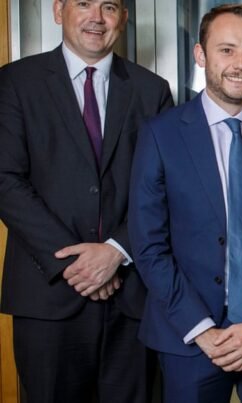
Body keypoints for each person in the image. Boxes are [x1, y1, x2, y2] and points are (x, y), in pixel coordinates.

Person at [128, 4, 242, 402]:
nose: (240, 65)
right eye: (226, 50)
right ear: (201, 55)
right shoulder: (160, 135)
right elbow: (148, 245)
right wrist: (201, 329)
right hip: (189, 332)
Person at [0, 0, 173, 401]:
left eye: (109, 6)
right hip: (48, 297)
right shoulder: (14, 82)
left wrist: (116, 250)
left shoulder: (152, 91)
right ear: (58, 11)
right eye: (84, 3)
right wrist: (77, 263)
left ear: (123, 19)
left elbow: (167, 187)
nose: (96, 17)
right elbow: (5, 180)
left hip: (131, 297)